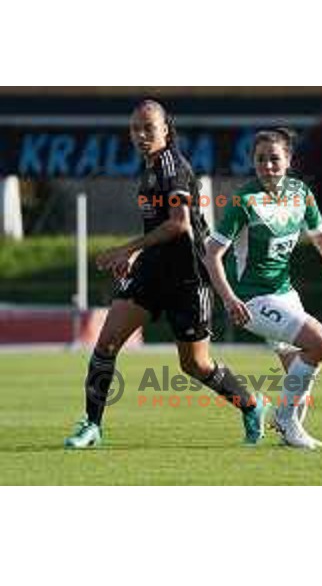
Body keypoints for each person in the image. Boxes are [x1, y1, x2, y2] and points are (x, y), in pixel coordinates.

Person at [64, 100, 270, 449]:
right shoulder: (148, 169)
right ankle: (93, 425)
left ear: (166, 129)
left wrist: (127, 248)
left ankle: (251, 405)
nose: (141, 134)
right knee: (106, 342)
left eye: (149, 127)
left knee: (195, 365)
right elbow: (160, 227)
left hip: (188, 278)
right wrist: (140, 254)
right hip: (150, 275)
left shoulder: (172, 167)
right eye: (135, 128)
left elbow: (178, 225)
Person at [204, 128, 322, 450]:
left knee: (301, 374)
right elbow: (211, 253)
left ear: (288, 160)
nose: (267, 165)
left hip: (285, 294)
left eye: (274, 158)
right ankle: (284, 419)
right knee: (321, 343)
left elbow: (319, 234)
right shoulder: (243, 201)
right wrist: (228, 299)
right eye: (260, 159)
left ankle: (289, 431)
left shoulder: (301, 193)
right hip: (251, 299)